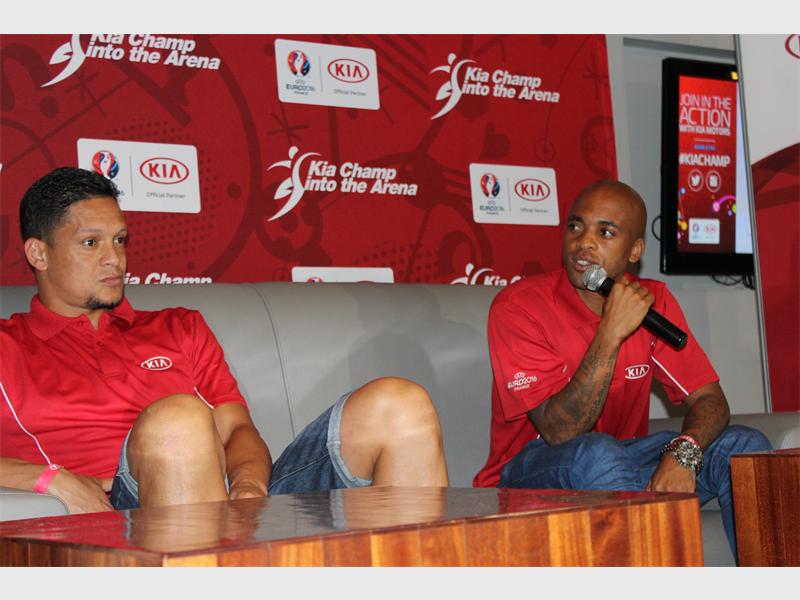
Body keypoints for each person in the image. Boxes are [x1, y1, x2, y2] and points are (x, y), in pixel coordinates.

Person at [0, 167, 448, 514]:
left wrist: (250, 488)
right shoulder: (8, 345)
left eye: (119, 240)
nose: (114, 259)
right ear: (39, 253)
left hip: (232, 499)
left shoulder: (179, 326)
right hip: (121, 513)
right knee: (179, 418)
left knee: (399, 403)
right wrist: (51, 480)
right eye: (91, 243)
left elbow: (237, 430)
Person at [473, 179, 771, 560]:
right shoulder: (519, 307)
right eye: (576, 226)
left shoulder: (651, 300)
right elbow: (559, 430)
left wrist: (685, 452)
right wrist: (610, 332)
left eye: (605, 232)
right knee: (598, 452)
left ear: (635, 251)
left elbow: (710, 399)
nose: (583, 242)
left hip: (619, 466)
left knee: (744, 447)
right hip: (526, 475)